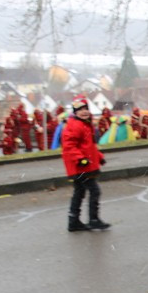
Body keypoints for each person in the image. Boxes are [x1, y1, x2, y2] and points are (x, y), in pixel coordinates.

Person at [61, 95, 109, 232]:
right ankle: (93, 219)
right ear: (75, 112)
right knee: (94, 191)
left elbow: (89, 146)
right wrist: (80, 159)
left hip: (84, 164)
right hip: (80, 166)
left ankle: (73, 220)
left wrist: (99, 157)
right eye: (80, 109)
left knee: (79, 192)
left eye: (86, 108)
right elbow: (69, 145)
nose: (84, 111)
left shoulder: (85, 124)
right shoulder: (75, 125)